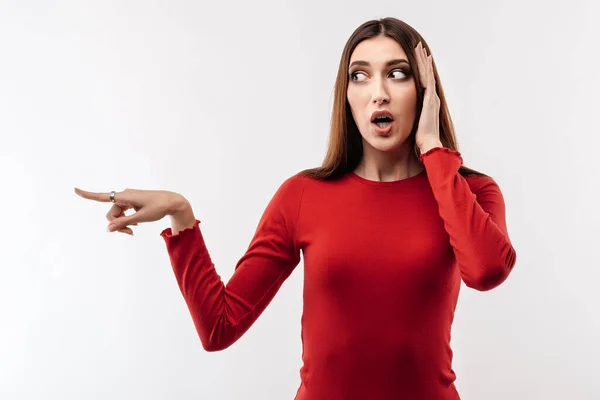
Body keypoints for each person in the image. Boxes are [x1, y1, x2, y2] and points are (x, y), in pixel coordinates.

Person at [76, 17, 517, 400]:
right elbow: (220, 327)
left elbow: (485, 271)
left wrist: (432, 149)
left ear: (425, 91)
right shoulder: (303, 195)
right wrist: (181, 216)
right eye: (360, 76)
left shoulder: (468, 191)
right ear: (346, 95)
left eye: (397, 74)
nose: (378, 94)